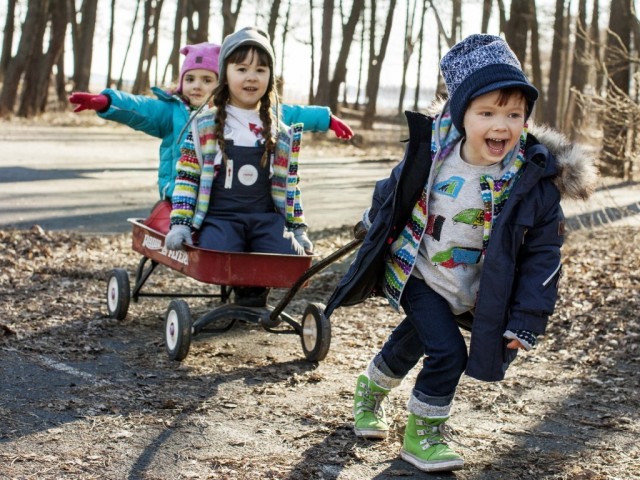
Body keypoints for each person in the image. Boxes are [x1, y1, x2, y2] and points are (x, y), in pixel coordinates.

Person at [324, 34, 597, 473]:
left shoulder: (532, 180)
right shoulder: (434, 153)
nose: (501, 125)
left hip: (471, 288)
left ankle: (368, 393)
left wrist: (527, 318)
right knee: (448, 352)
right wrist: (372, 221)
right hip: (418, 273)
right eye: (486, 112)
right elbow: (393, 190)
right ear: (460, 114)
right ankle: (424, 435)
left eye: (514, 114)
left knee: (412, 341)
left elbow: (543, 257)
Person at [68, 43, 353, 201]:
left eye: (207, 79)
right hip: (179, 191)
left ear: (222, 83)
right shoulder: (171, 111)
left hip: (222, 195)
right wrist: (107, 102)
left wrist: (325, 118)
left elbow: (288, 113)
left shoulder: (236, 111)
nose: (196, 85)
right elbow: (139, 109)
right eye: (190, 78)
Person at [164, 26, 315, 306]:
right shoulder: (204, 126)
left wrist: (297, 229)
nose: (251, 77)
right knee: (216, 254)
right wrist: (181, 224)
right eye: (242, 69)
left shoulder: (280, 133)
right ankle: (243, 289)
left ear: (270, 77)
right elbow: (187, 177)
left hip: (265, 219)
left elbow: (290, 186)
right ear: (225, 74)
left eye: (260, 70)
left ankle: (255, 290)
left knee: (291, 258)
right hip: (221, 218)